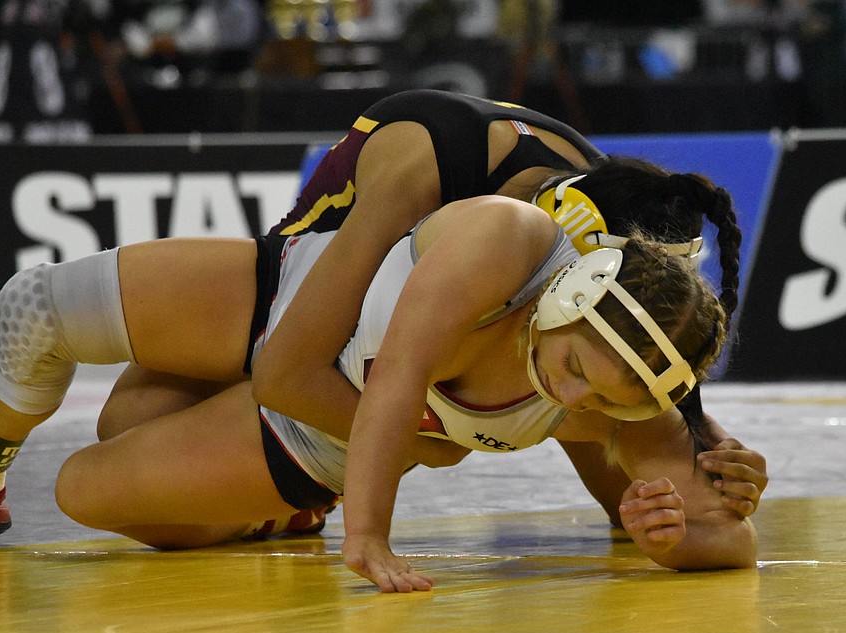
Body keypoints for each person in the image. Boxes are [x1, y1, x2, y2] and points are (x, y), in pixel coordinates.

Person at [98, 89, 766, 527]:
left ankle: (305, 488)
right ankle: (310, 490)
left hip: (387, 366)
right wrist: (432, 443)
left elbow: (622, 372)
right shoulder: (439, 182)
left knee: (588, 389)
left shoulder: (608, 232)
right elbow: (288, 371)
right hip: (304, 304)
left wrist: (706, 452)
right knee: (126, 420)